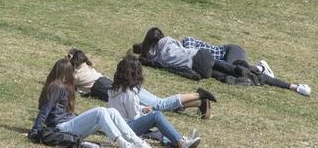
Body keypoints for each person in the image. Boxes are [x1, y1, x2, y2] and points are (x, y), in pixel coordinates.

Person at [137, 28, 311, 96]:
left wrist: (143, 50)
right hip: (202, 57)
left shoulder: (155, 58)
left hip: (201, 68)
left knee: (226, 72)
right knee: (238, 69)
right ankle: (286, 84)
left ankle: (252, 75)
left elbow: (142, 49)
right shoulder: (169, 42)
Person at [28, 58, 152, 148]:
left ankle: (136, 141)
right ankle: (123, 144)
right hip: (61, 128)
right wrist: (35, 132)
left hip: (70, 125)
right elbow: (44, 110)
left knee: (112, 112)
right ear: (65, 73)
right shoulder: (55, 86)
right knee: (100, 111)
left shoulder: (63, 87)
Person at [68, 49, 216, 118]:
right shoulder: (86, 67)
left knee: (159, 104)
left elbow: (66, 82)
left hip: (120, 88)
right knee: (158, 106)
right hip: (121, 84)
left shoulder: (77, 73)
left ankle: (199, 94)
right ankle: (200, 103)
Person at [107, 56, 202, 148]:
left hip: (118, 128)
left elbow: (124, 110)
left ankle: (180, 141)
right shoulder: (129, 92)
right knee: (157, 116)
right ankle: (182, 142)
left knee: (160, 126)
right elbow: (133, 116)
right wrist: (146, 116)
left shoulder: (114, 88)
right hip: (125, 129)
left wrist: (142, 109)